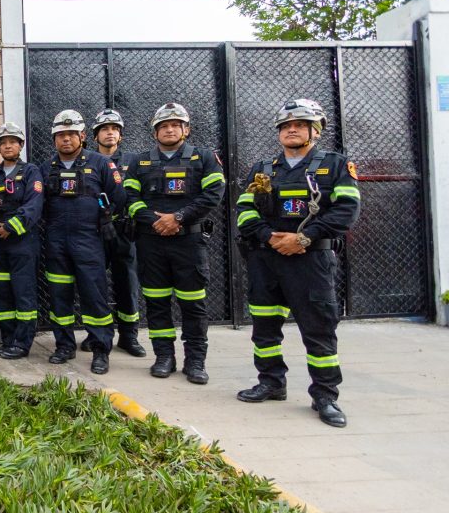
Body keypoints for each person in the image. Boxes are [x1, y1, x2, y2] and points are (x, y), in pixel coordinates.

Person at [234, 99, 361, 428]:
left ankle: (325, 396)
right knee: (264, 325)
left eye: (300, 125)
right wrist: (267, 236)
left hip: (311, 260)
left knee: (318, 329)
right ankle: (271, 382)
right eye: (286, 126)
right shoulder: (263, 168)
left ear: (315, 131)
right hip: (266, 258)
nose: (291, 130)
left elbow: (347, 210)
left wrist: (304, 238)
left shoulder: (335, 165)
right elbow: (244, 210)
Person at [123, 103, 226, 384]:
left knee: (193, 304)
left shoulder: (204, 158)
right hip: (151, 242)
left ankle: (195, 361)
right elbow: (129, 198)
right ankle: (164, 357)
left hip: (189, 242)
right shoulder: (140, 162)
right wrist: (155, 221)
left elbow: (213, 194)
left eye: (175, 125)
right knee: (156, 302)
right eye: (163, 126)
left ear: (186, 129)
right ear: (155, 132)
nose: (169, 130)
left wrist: (178, 218)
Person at [39, 110, 126, 374]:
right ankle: (64, 346)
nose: (66, 139)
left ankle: (101, 351)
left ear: (83, 136)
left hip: (89, 239)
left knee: (94, 296)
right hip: (56, 241)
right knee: (59, 296)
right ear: (54, 139)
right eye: (60, 135)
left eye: (71, 134)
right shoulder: (46, 168)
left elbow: (119, 197)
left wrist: (106, 220)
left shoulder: (100, 163)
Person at [0, 123, 43, 360]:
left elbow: (34, 205)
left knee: (23, 291)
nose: (8, 146)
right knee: (1, 292)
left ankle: (22, 343)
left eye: (13, 142)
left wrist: (11, 227)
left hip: (22, 241)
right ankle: (8, 339)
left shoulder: (31, 172)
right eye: (3, 142)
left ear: (21, 145)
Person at [90, 109, 146, 358]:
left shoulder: (134, 162)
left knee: (127, 283)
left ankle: (128, 336)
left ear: (121, 135)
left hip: (124, 231)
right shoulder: (87, 161)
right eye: (104, 129)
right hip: (95, 232)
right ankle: (95, 334)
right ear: (95, 136)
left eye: (114, 129)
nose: (110, 133)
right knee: (93, 284)